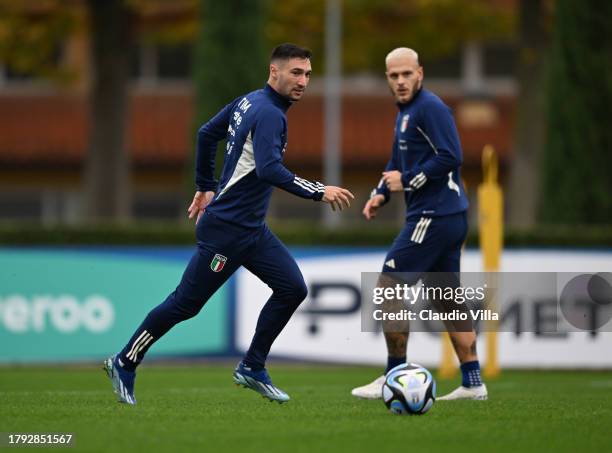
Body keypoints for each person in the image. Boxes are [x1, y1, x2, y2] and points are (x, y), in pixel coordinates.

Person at [104, 43, 354, 405]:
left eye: (308, 74)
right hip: (226, 231)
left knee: (292, 288)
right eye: (296, 73)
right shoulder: (269, 113)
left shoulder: (249, 101)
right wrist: (319, 191)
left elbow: (207, 133)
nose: (303, 81)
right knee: (184, 305)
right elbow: (269, 169)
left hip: (251, 229)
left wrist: (205, 186)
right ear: (274, 72)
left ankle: (253, 366)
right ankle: (125, 360)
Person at [351, 47, 487, 401]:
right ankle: (473, 382)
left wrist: (408, 182)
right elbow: (398, 159)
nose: (400, 81)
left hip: (434, 216)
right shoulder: (406, 112)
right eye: (394, 76)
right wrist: (381, 192)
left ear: (420, 73)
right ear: (387, 79)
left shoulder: (430, 107)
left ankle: (393, 374)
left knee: (388, 285)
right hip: (449, 216)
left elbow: (452, 155)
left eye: (406, 74)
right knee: (447, 298)